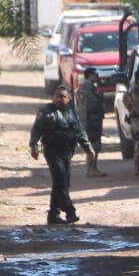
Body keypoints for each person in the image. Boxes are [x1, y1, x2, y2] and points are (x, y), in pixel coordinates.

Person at [30, 83, 92, 225]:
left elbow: (79, 132)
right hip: (52, 151)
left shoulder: (71, 113)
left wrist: (88, 148)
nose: (59, 99)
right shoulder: (46, 111)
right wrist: (34, 146)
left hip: (67, 152)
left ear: (68, 98)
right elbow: (36, 130)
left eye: (62, 97)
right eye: (56, 96)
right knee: (61, 180)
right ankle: (70, 212)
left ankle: (53, 215)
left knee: (62, 183)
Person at [78, 67, 107, 178]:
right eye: (95, 74)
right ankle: (91, 169)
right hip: (90, 120)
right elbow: (86, 105)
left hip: (94, 119)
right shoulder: (86, 87)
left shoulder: (92, 87)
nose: (97, 77)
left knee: (96, 144)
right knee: (93, 144)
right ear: (90, 75)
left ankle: (93, 168)